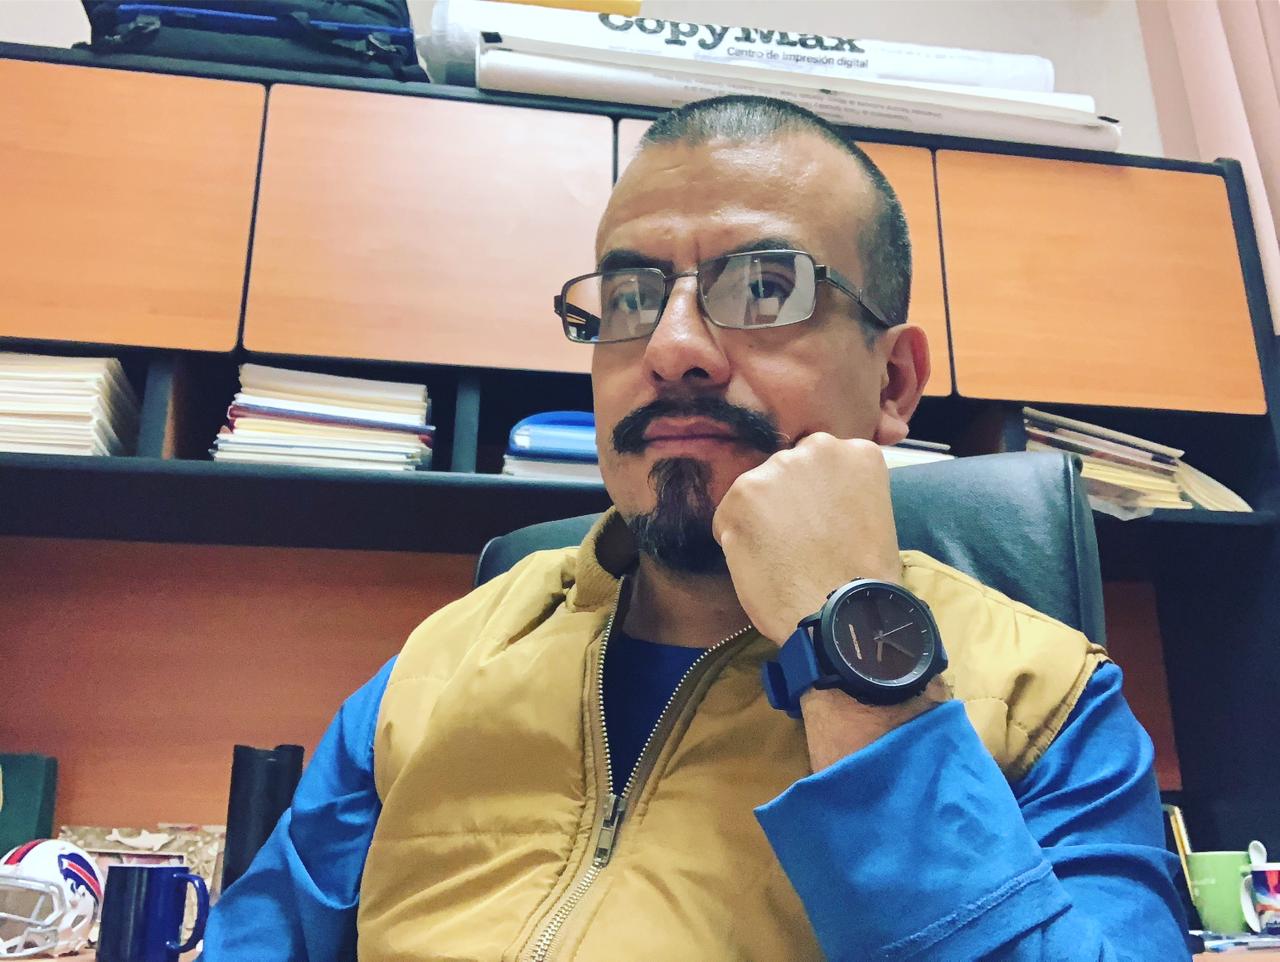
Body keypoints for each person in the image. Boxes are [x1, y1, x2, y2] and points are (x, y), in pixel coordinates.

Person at [199, 95, 1190, 961]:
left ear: (892, 382)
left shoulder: (1049, 698)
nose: (671, 348)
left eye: (764, 286)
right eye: (631, 297)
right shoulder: (432, 667)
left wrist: (856, 655)